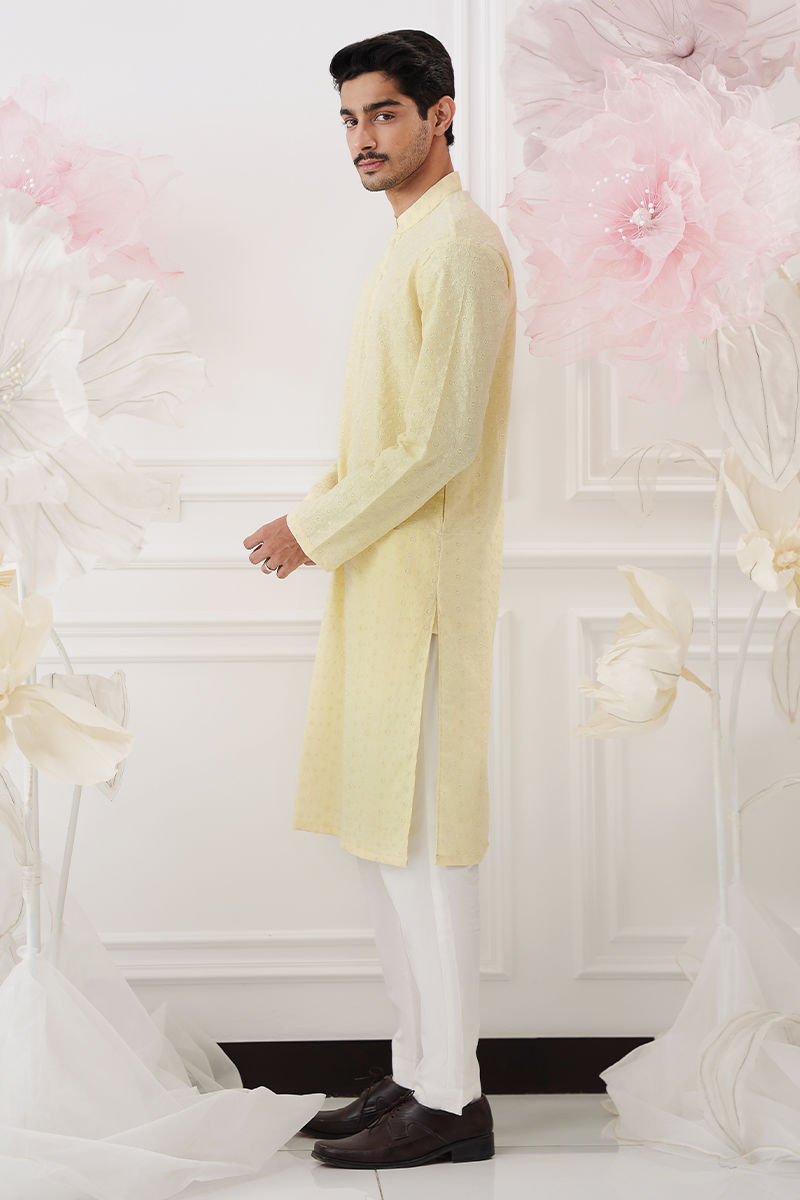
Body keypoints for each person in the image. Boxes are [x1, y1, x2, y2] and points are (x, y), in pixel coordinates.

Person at [242, 28, 516, 1170]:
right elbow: (379, 434)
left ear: (440, 115)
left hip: (425, 587)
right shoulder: (413, 241)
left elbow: (440, 442)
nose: (363, 137)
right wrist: (318, 519)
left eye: (385, 113)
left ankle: (453, 1103)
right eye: (351, 118)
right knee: (383, 839)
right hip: (383, 577)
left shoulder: (456, 247)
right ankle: (418, 1067)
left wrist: (311, 529)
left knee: (422, 847)